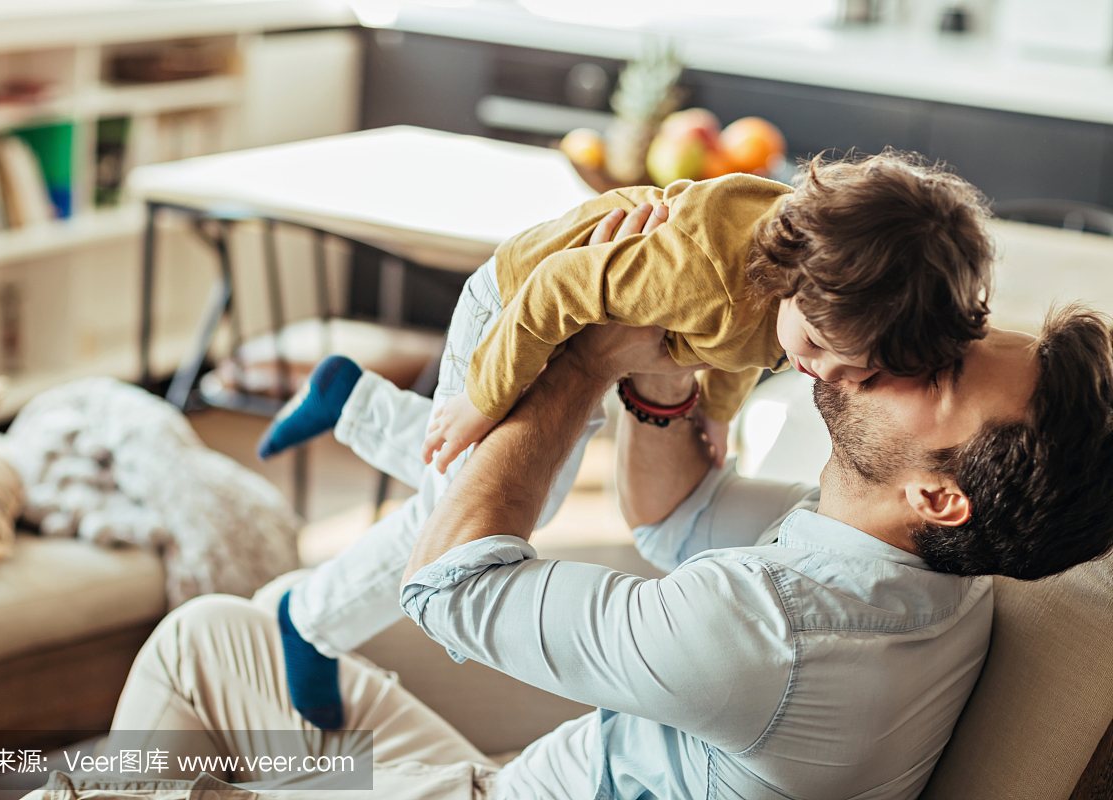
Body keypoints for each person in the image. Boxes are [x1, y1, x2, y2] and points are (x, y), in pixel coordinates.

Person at [102, 211, 1113, 799]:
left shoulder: (771, 632)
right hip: (502, 778)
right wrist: (660, 363)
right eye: (960, 332)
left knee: (197, 646)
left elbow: (445, 584)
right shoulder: (929, 578)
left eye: (939, 370)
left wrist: (586, 355)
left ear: (938, 493)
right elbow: (673, 514)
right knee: (226, 662)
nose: (907, 339)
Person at [256, 153, 996, 728]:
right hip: (517, 312)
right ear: (796, 281)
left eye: (863, 371)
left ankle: (349, 401)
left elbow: (750, 348)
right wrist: (482, 402)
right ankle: (309, 620)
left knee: (494, 485)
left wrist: (719, 413)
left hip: (585, 322)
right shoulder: (700, 274)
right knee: (460, 508)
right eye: (825, 350)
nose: (831, 377)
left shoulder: (807, 308)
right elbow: (553, 292)